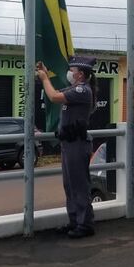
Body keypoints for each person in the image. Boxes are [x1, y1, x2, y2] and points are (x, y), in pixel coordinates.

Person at [37, 56, 98, 239]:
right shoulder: (74, 88)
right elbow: (55, 92)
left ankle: (85, 224)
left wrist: (44, 79)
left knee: (79, 185)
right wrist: (46, 76)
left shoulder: (82, 90)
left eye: (72, 70)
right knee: (69, 185)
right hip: (68, 143)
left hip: (77, 144)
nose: (69, 73)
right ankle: (75, 221)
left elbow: (54, 97)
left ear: (80, 74)